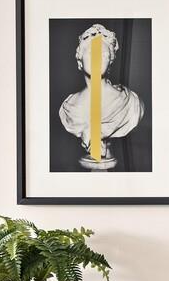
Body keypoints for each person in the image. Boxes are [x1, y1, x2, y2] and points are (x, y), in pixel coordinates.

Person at [58, 22, 144, 170]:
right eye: (92, 52)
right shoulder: (68, 108)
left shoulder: (130, 104)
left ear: (111, 60)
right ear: (79, 58)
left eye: (103, 54)